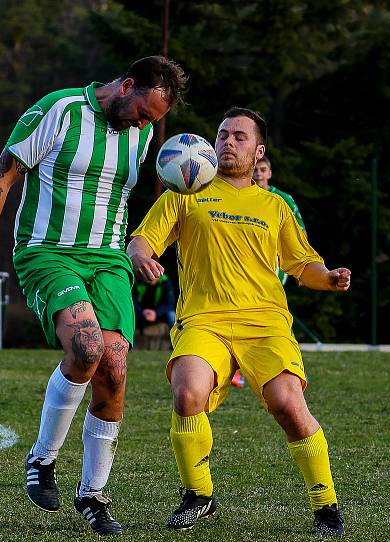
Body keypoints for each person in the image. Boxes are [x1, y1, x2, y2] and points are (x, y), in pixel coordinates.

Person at [0, 56, 187, 535]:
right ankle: (42, 459)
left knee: (115, 366)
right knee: (86, 347)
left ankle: (93, 495)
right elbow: (1, 177)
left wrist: (141, 248)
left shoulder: (142, 136)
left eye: (153, 120)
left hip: (108, 260)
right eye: (143, 112)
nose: (145, 125)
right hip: (48, 252)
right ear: (125, 85)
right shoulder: (58, 111)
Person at [127, 107, 349, 536]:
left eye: (240, 137)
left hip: (265, 324)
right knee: (188, 391)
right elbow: (143, 239)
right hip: (204, 321)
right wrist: (139, 254)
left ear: (259, 150)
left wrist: (330, 278)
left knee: (289, 406)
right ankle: (198, 495)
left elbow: (303, 263)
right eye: (223, 134)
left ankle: (326, 506)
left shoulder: (274, 206)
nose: (228, 142)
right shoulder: (184, 191)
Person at [229, 156, 308, 388]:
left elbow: (300, 233)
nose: (259, 174)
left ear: (270, 173)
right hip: (243, 264)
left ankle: (290, 364)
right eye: (256, 170)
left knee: (270, 308)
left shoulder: (282, 199)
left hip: (272, 263)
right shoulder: (240, 196)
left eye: (263, 170)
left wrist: (301, 268)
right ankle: (239, 368)